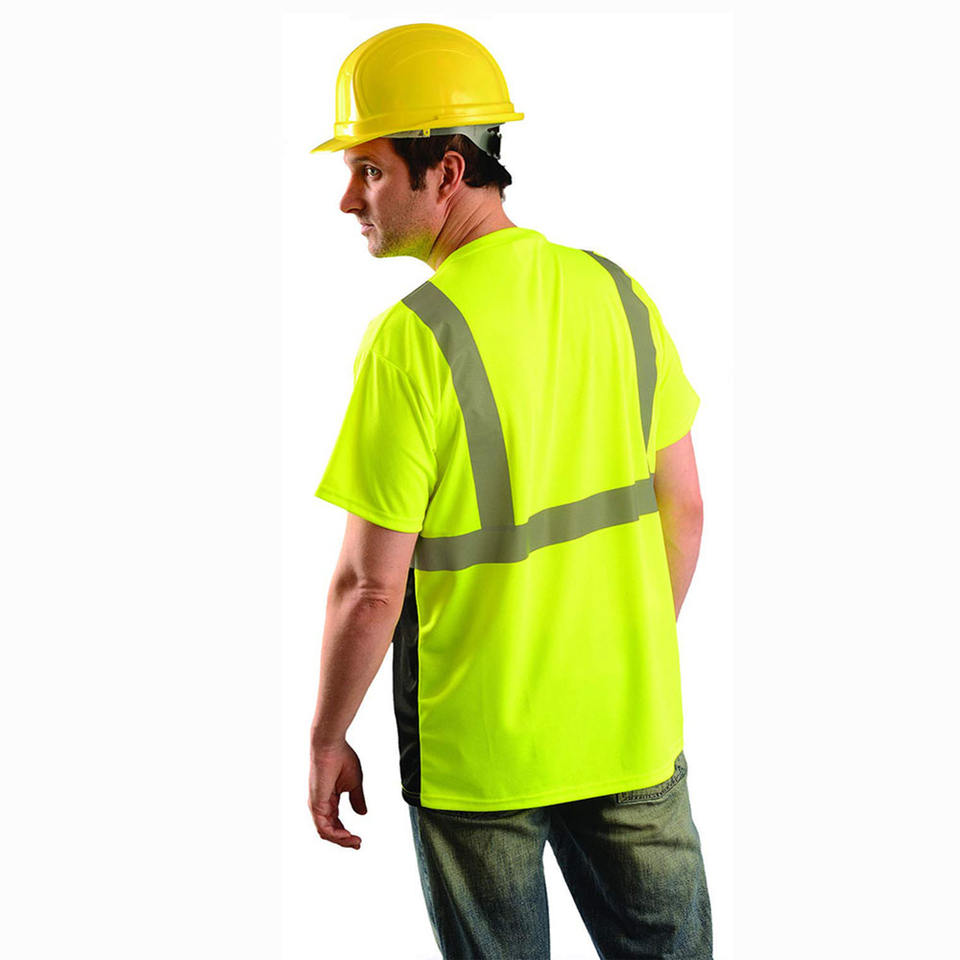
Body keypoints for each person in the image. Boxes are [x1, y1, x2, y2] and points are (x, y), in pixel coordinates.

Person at [306, 22, 713, 960]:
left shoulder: (413, 339)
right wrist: (620, 661)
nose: (348, 198)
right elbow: (684, 511)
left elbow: (368, 588)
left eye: (369, 170)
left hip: (478, 755)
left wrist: (327, 738)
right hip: (629, 728)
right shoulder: (618, 294)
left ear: (447, 171)